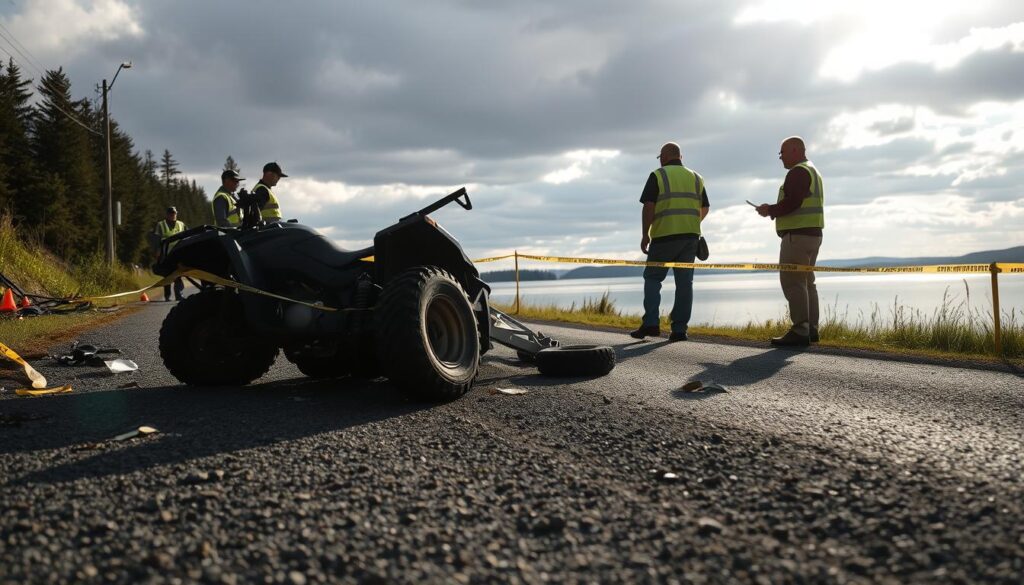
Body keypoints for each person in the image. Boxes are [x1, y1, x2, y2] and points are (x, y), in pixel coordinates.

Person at [630, 142, 710, 342]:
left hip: (665, 236)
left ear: (664, 157)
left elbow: (649, 206)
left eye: (660, 157)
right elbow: (705, 207)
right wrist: (690, 222)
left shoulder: (658, 175)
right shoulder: (696, 177)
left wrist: (645, 234)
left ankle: (651, 323)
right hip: (690, 237)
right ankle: (679, 330)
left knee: (653, 278)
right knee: (685, 284)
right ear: (680, 157)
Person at [755, 136, 824, 347]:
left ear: (795, 150)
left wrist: (770, 210)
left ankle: (800, 329)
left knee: (793, 282)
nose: (780, 157)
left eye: (782, 153)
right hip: (813, 234)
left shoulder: (798, 171)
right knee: (807, 282)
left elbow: (794, 201)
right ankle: (811, 328)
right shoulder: (812, 170)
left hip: (797, 236)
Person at [154, 206, 187, 301]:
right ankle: (167, 296)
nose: (173, 215)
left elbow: (188, 236)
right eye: (171, 213)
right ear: (167, 215)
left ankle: (179, 295)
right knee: (167, 276)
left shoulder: (181, 224)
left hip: (179, 255)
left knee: (178, 275)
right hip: (166, 255)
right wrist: (157, 252)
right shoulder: (161, 225)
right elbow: (156, 240)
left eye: (174, 213)